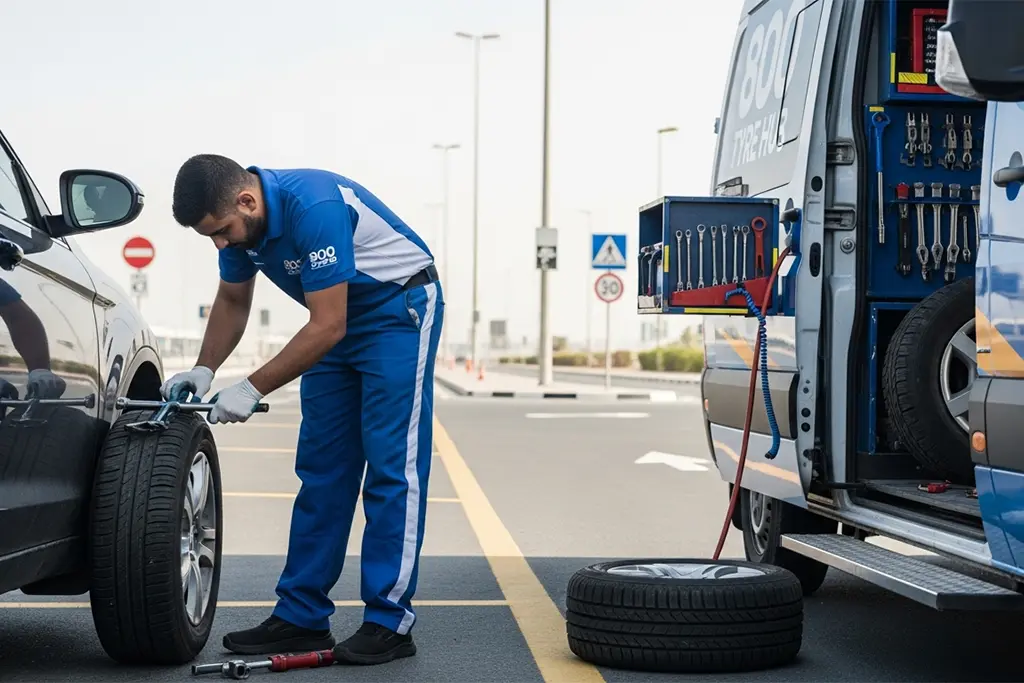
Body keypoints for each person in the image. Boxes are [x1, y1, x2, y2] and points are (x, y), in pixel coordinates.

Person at [163, 154, 444, 665]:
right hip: (331, 323)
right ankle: (302, 617)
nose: (221, 244)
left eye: (223, 231)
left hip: (395, 312)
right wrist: (203, 369)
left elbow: (327, 324)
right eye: (211, 237)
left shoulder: (313, 205)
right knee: (322, 471)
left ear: (247, 201)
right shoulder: (241, 226)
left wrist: (250, 387)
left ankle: (389, 622)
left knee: (390, 469)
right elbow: (232, 300)